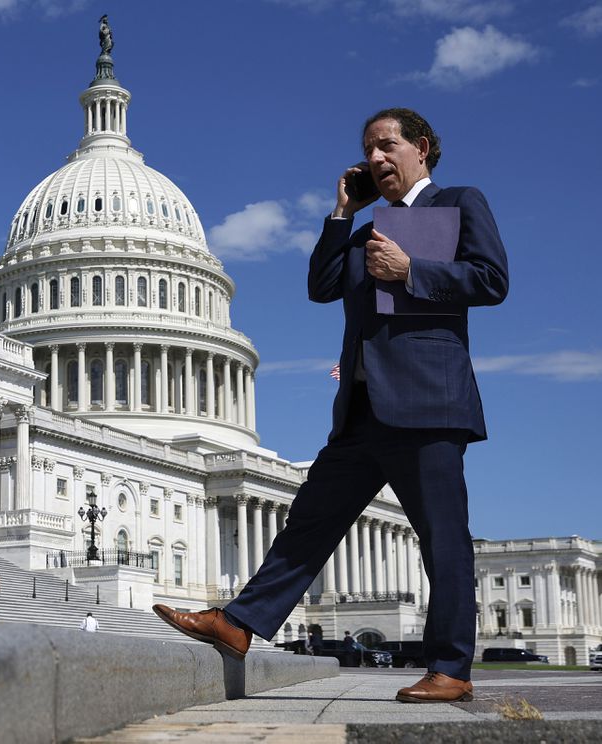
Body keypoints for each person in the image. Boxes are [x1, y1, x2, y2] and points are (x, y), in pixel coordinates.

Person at [153, 108, 508, 705]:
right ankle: (239, 623)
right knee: (308, 524)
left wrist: (412, 270)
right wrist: (342, 214)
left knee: (443, 541)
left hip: (427, 403)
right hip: (364, 408)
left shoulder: (458, 202)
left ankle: (450, 668)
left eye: (386, 146)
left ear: (420, 148)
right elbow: (320, 287)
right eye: (368, 149)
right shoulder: (367, 229)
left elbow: (491, 279)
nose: (375, 158)